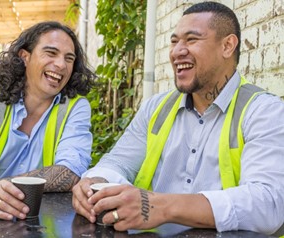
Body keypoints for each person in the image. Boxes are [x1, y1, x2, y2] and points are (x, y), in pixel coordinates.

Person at [72, 2, 284, 235]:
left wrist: (162, 207)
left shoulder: (264, 111)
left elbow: (268, 203)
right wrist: (94, 181)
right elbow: (118, 162)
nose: (176, 51)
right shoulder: (156, 108)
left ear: (227, 46)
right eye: (174, 41)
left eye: (191, 40)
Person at [0, 21, 96, 221]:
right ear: (24, 57)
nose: (61, 65)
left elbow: (71, 170)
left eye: (69, 58)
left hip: (39, 224)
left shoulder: (75, 108)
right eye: (51, 53)